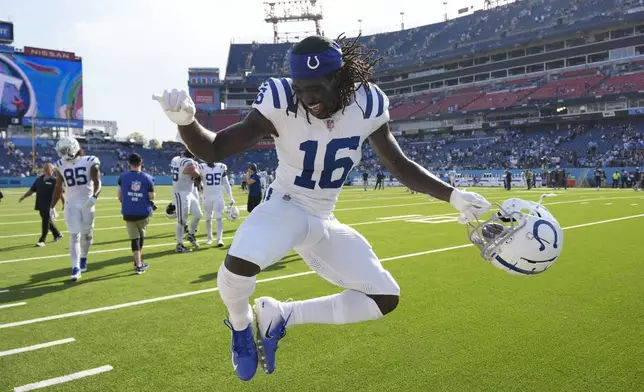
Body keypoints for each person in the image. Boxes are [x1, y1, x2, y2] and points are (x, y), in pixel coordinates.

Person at [154, 34, 490, 381]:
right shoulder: (282, 99)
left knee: (385, 297)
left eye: (316, 87)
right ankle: (240, 326)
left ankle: (282, 315)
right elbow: (215, 149)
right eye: (301, 88)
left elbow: (399, 164)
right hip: (285, 205)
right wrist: (186, 123)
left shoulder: (367, 103)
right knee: (240, 264)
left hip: (323, 218)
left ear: (339, 79)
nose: (308, 97)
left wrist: (453, 196)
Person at [50, 137, 102, 281]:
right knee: (74, 235)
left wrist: (94, 196)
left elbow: (98, 182)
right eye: (60, 151)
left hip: (87, 203)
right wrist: (52, 206)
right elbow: (58, 186)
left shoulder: (90, 161)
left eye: (64, 151)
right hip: (71, 204)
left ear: (73, 148)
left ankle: (83, 257)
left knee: (87, 234)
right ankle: (76, 267)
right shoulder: (60, 165)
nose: (62, 154)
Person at [117, 153, 155, 274]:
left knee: (134, 238)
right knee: (140, 237)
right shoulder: (148, 178)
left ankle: (138, 261)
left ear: (129, 164)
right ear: (141, 164)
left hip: (128, 211)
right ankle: (138, 264)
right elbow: (151, 196)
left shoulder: (122, 177)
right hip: (143, 211)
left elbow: (119, 196)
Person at [19, 163, 63, 247]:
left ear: (52, 170)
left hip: (49, 204)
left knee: (45, 222)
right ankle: (57, 234)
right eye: (45, 168)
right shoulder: (38, 180)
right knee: (47, 220)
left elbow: (60, 193)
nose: (46, 170)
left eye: (48, 168)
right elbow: (31, 190)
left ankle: (42, 240)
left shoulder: (55, 180)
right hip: (40, 204)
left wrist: (64, 203)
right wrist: (24, 197)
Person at [170, 150, 202, 252]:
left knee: (198, 215)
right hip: (181, 193)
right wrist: (199, 176)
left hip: (188, 193)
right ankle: (179, 245)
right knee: (182, 221)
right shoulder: (187, 161)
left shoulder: (177, 160)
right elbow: (191, 169)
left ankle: (191, 235)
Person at [199, 161, 235, 247]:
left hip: (218, 196)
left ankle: (219, 239)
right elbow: (197, 182)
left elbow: (226, 183)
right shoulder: (201, 167)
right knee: (208, 218)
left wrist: (230, 197)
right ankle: (209, 238)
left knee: (219, 217)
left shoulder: (221, 167)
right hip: (206, 196)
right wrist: (200, 195)